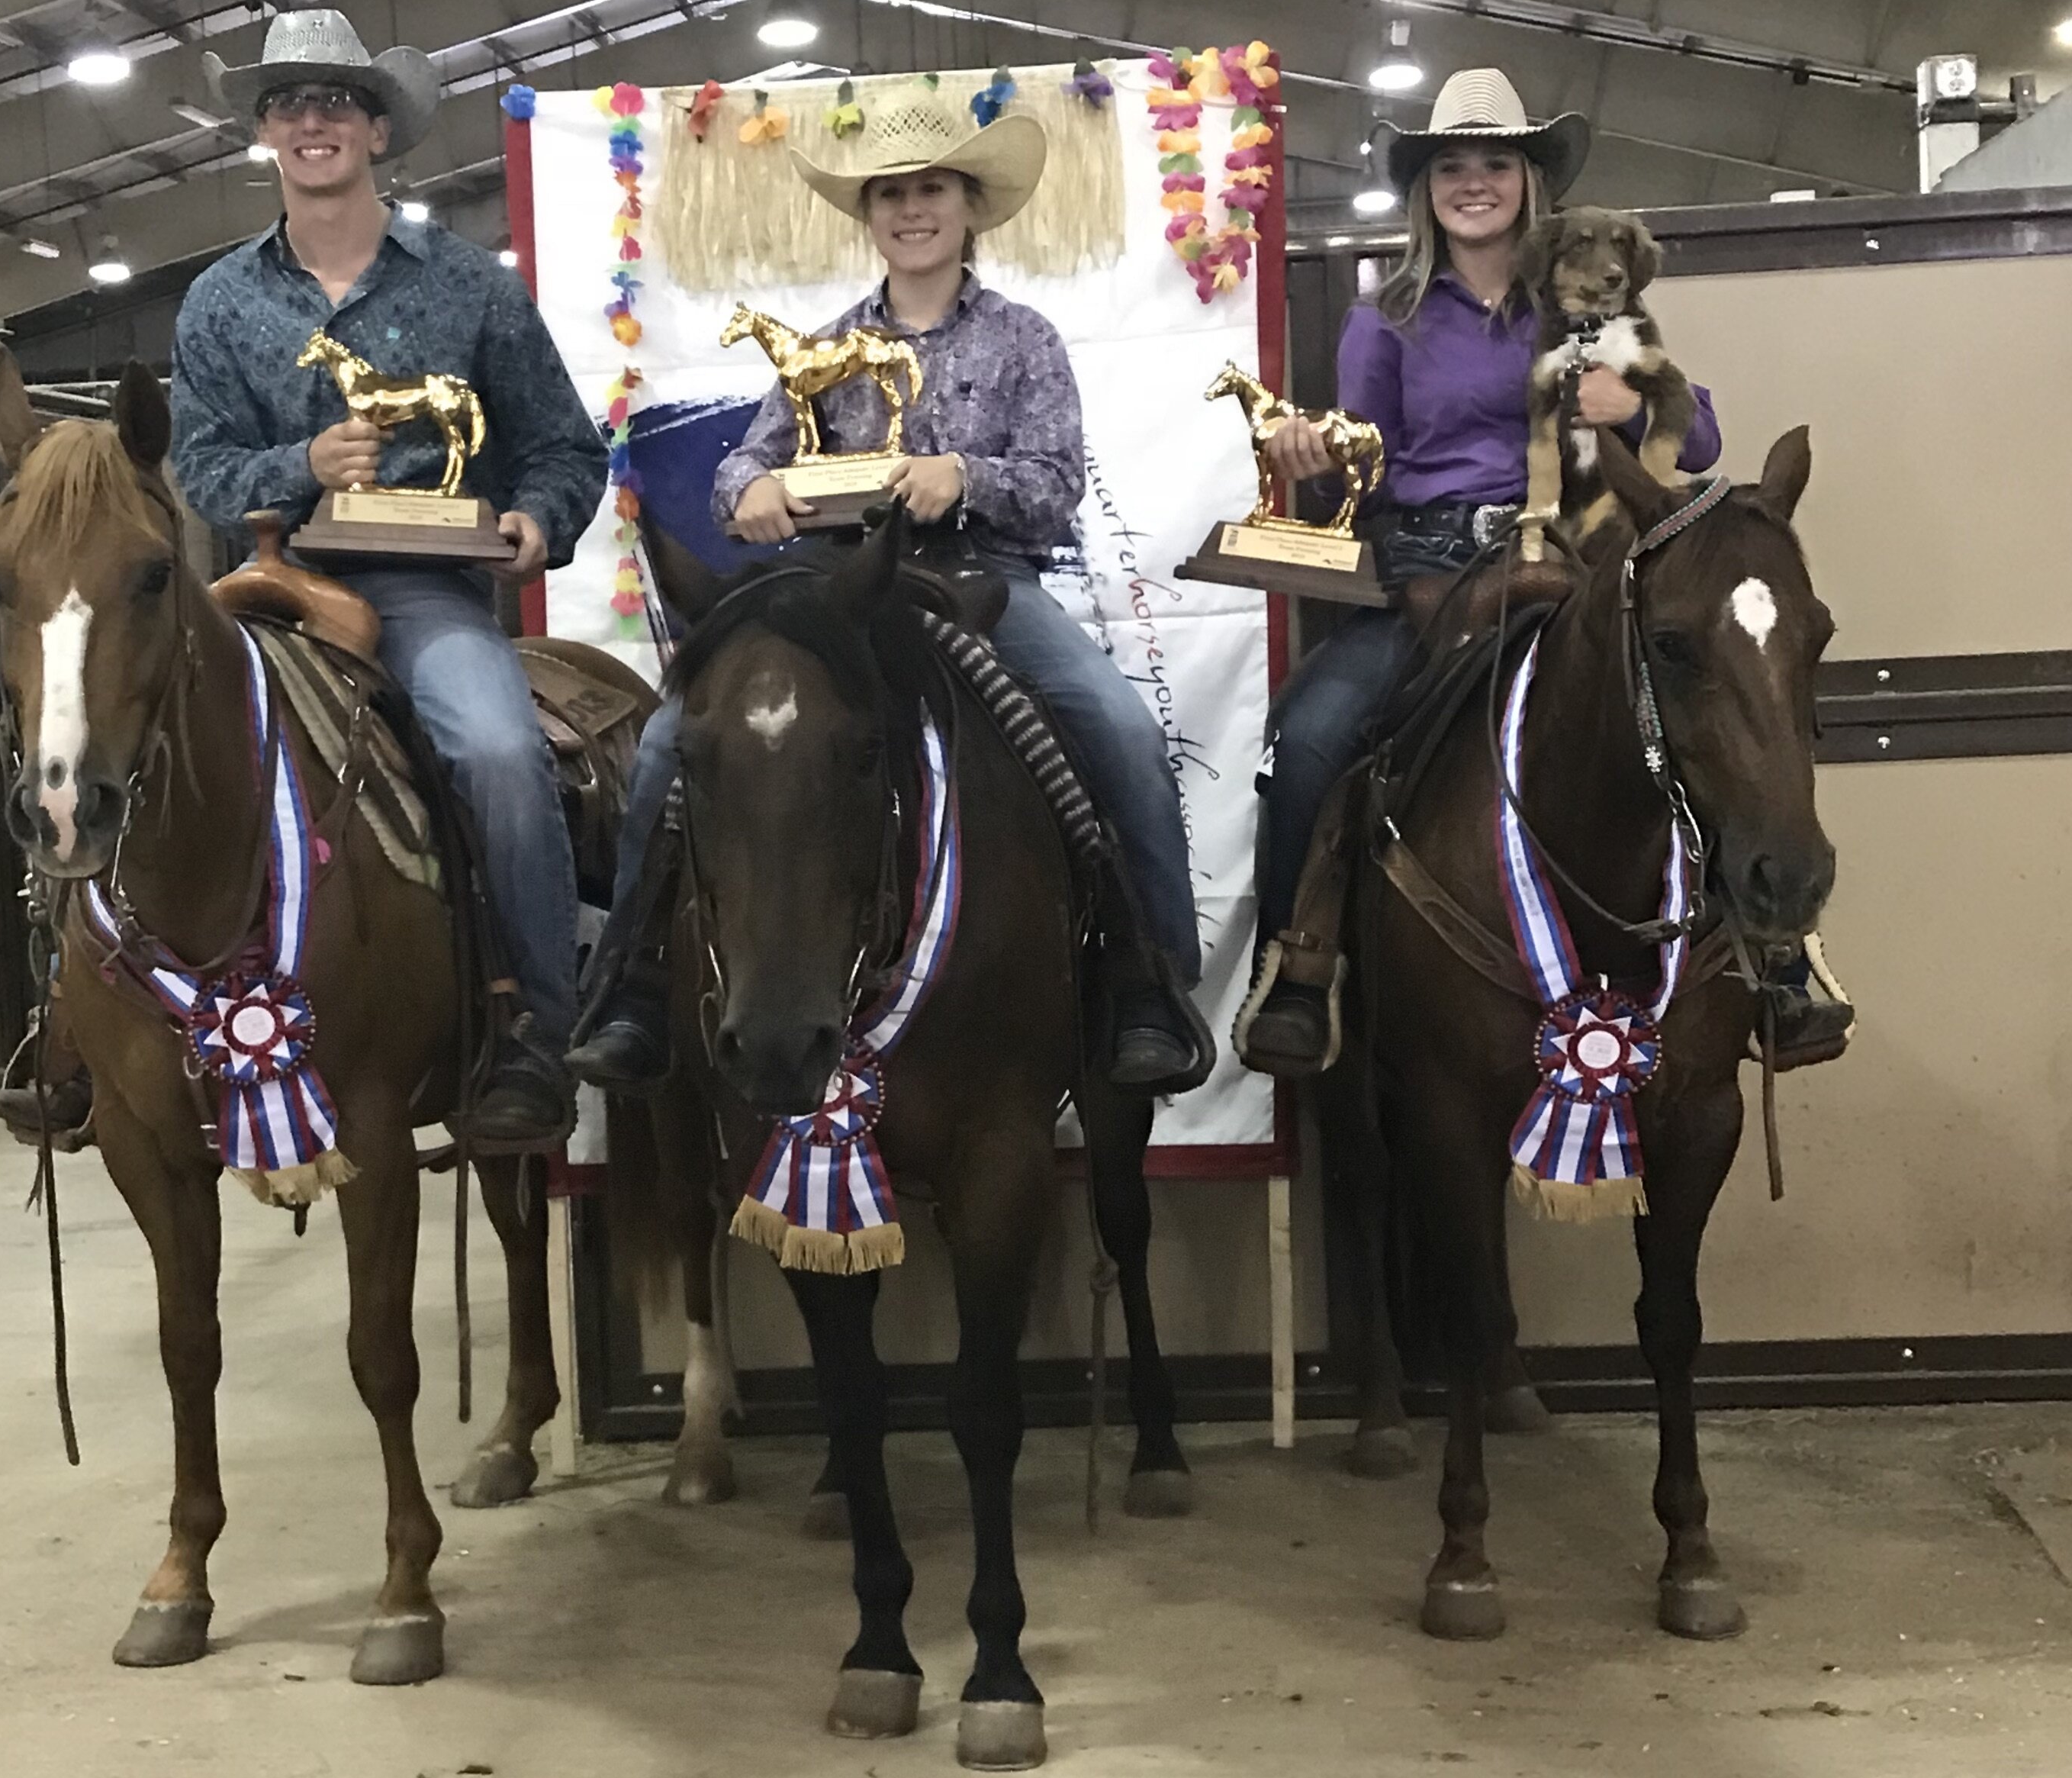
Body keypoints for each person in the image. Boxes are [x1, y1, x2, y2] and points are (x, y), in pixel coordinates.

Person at [570, 85, 1206, 1095]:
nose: (912, 210)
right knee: (666, 744)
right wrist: (759, 489)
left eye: (932, 190)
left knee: (1116, 727)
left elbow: (1054, 486)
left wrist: (969, 478)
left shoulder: (1024, 341)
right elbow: (743, 468)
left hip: (983, 580)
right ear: (868, 216)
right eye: (892, 194)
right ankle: (635, 982)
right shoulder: (821, 347)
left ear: (968, 207)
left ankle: (1151, 979)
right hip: (836, 589)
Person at [1239, 64, 1849, 1081]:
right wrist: (1311, 453)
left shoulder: (1585, 291)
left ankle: (1778, 960)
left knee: (1710, 695)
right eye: (1450, 168)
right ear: (1424, 188)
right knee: (1306, 737)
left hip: (1580, 556)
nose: (1472, 183)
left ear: (1530, 182)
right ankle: (1299, 966)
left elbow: (1698, 435)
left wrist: (1629, 405)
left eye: (1494, 164)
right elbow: (1368, 462)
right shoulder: (1383, 317)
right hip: (1435, 567)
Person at [167, 8, 607, 1148]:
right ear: (265, 133)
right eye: (287, 105)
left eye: (334, 103)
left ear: (374, 129)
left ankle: (536, 1039)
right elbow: (204, 468)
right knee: (117, 745)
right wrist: (299, 465)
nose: (311, 121)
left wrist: (534, 521)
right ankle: (90, 1037)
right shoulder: (218, 301)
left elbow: (562, 445)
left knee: (502, 753)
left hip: (421, 590)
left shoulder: (468, 288)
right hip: (267, 587)